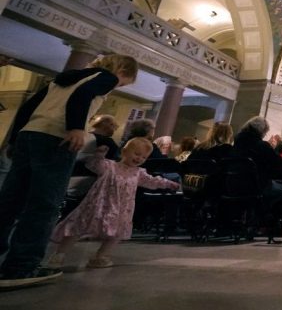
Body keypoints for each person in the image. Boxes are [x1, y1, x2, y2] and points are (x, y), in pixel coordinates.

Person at [0, 54, 138, 288]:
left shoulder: (62, 79)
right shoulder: (107, 77)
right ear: (122, 71)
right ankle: (21, 266)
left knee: (10, 200)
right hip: (57, 139)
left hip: (29, 134)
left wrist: (14, 139)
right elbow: (82, 96)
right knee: (44, 203)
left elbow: (27, 107)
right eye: (125, 82)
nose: (120, 85)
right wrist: (75, 127)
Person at [49, 138, 179, 269]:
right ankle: (59, 255)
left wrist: (168, 183)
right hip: (98, 205)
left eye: (144, 157)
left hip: (121, 209)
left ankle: (100, 257)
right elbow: (94, 165)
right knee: (77, 227)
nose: (139, 158)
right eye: (137, 154)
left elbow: (153, 181)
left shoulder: (139, 173)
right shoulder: (109, 166)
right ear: (124, 152)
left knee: (116, 234)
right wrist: (99, 155)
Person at [66, 114, 121, 208]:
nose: (114, 130)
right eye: (114, 126)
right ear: (108, 126)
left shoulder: (80, 136)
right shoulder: (107, 142)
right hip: (90, 181)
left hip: (69, 175)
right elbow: (117, 162)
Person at [234, 116, 281, 194]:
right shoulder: (262, 146)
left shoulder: (237, 142)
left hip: (233, 182)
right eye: (265, 133)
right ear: (261, 131)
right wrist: (272, 148)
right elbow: (276, 168)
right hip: (254, 187)